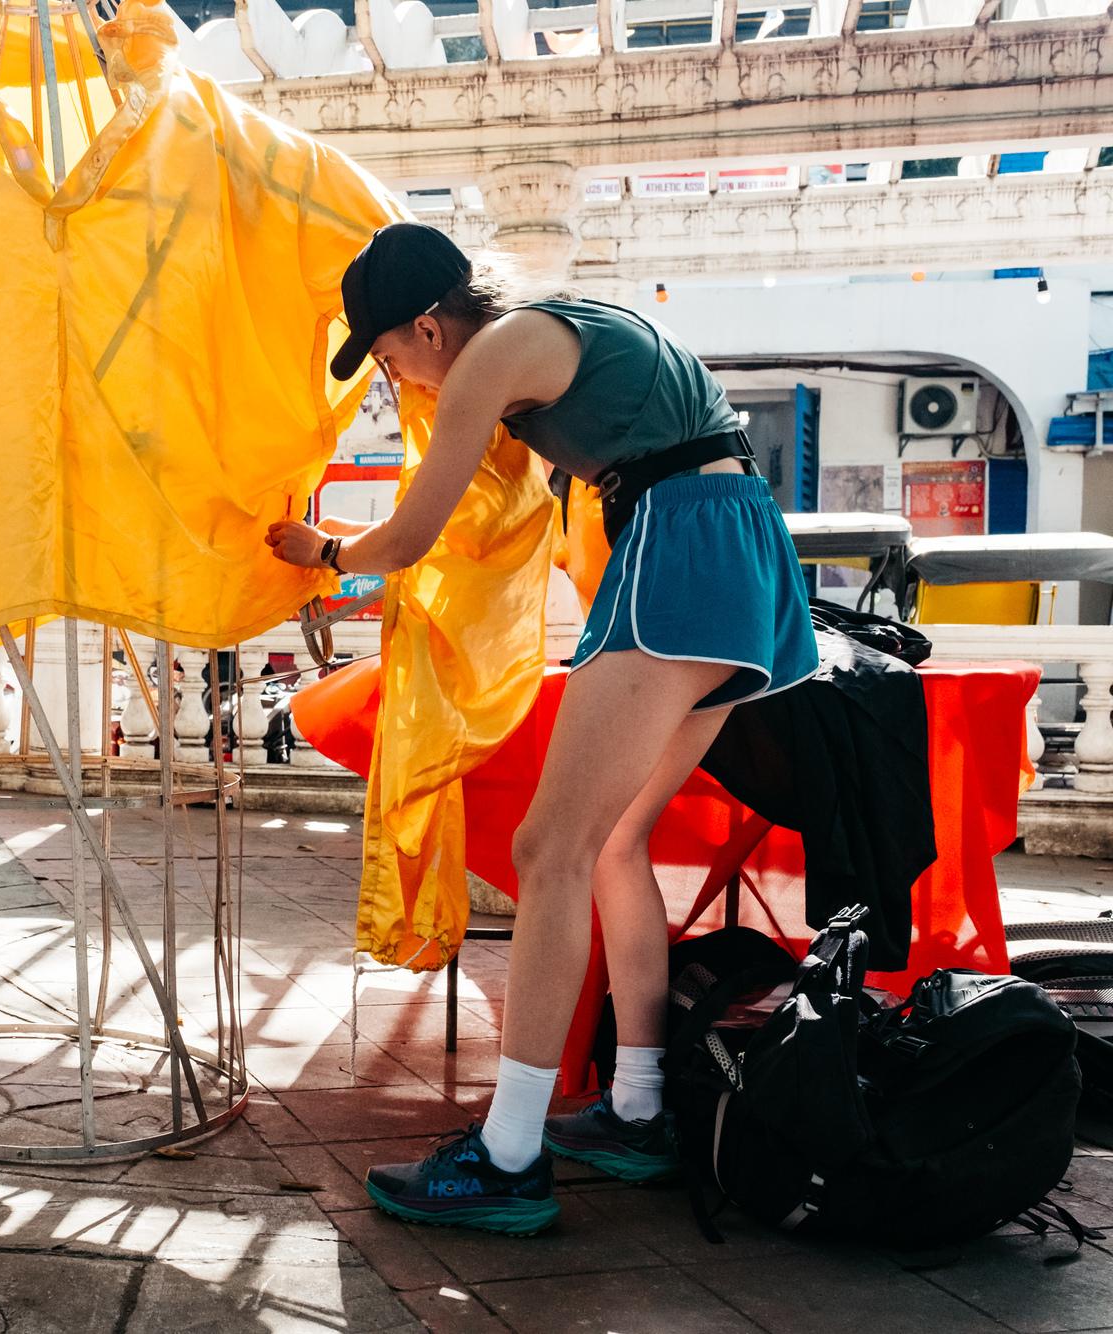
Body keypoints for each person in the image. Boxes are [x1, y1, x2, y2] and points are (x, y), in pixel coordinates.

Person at [267, 223, 816, 1235]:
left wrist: (325, 549)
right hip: (735, 545)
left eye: (386, 360)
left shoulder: (494, 354)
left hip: (679, 547)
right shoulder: (560, 325)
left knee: (547, 848)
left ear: (427, 328)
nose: (395, 382)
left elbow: (415, 532)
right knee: (612, 844)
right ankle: (638, 1108)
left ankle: (510, 1154)